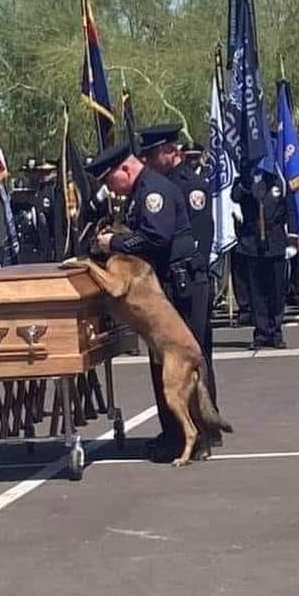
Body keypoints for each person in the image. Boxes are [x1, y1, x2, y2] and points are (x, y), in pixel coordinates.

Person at [86, 142, 209, 461]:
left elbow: (156, 237)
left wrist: (113, 242)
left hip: (182, 284)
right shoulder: (141, 190)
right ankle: (173, 435)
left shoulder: (154, 191)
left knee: (187, 358)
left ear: (125, 170)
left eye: (110, 181)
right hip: (166, 283)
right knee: (162, 364)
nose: (111, 189)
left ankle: (200, 437)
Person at [139, 123, 216, 401]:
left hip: (186, 280)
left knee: (195, 353)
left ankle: (205, 424)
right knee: (163, 358)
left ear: (169, 152)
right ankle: (173, 431)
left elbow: (201, 237)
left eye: (152, 155)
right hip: (162, 283)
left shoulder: (191, 186)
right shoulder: (149, 189)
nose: (147, 161)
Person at [232, 169, 295, 350]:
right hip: (252, 240)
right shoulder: (244, 180)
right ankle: (261, 332)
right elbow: (235, 196)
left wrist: (292, 238)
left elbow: (290, 207)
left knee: (277, 290)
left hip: (275, 240)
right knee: (256, 291)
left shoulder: (279, 179)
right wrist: (247, 182)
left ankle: (275, 331)